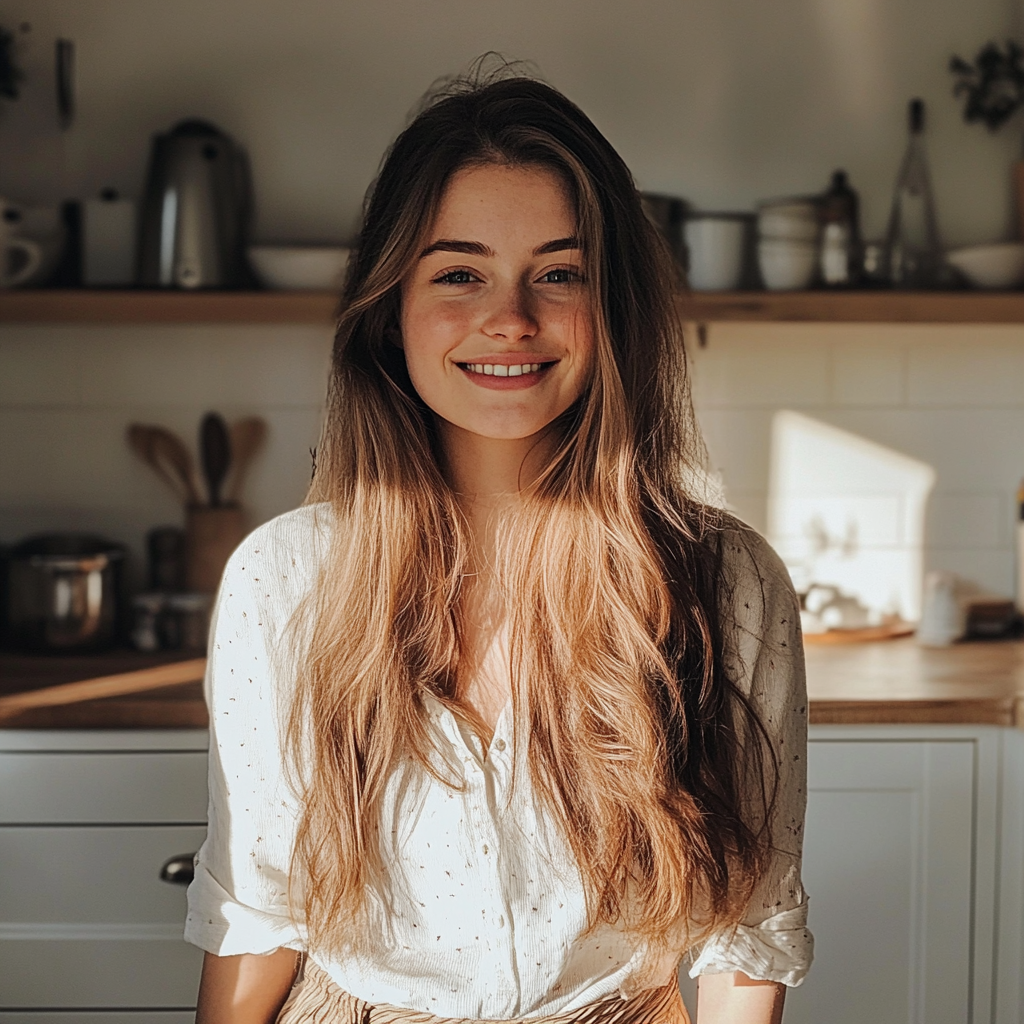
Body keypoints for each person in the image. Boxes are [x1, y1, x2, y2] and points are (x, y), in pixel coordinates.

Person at [186, 71, 812, 1024]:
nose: (510, 318)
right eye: (458, 273)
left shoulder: (728, 582)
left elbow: (746, 936)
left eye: (559, 273)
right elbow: (257, 916)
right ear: (391, 310)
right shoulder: (284, 578)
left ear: (615, 309)